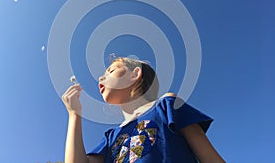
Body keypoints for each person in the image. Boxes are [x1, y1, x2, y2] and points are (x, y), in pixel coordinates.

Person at [62, 57, 226, 163]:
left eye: (111, 70)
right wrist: (74, 114)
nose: (101, 77)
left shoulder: (167, 106)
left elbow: (210, 158)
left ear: (135, 74)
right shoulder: (111, 137)